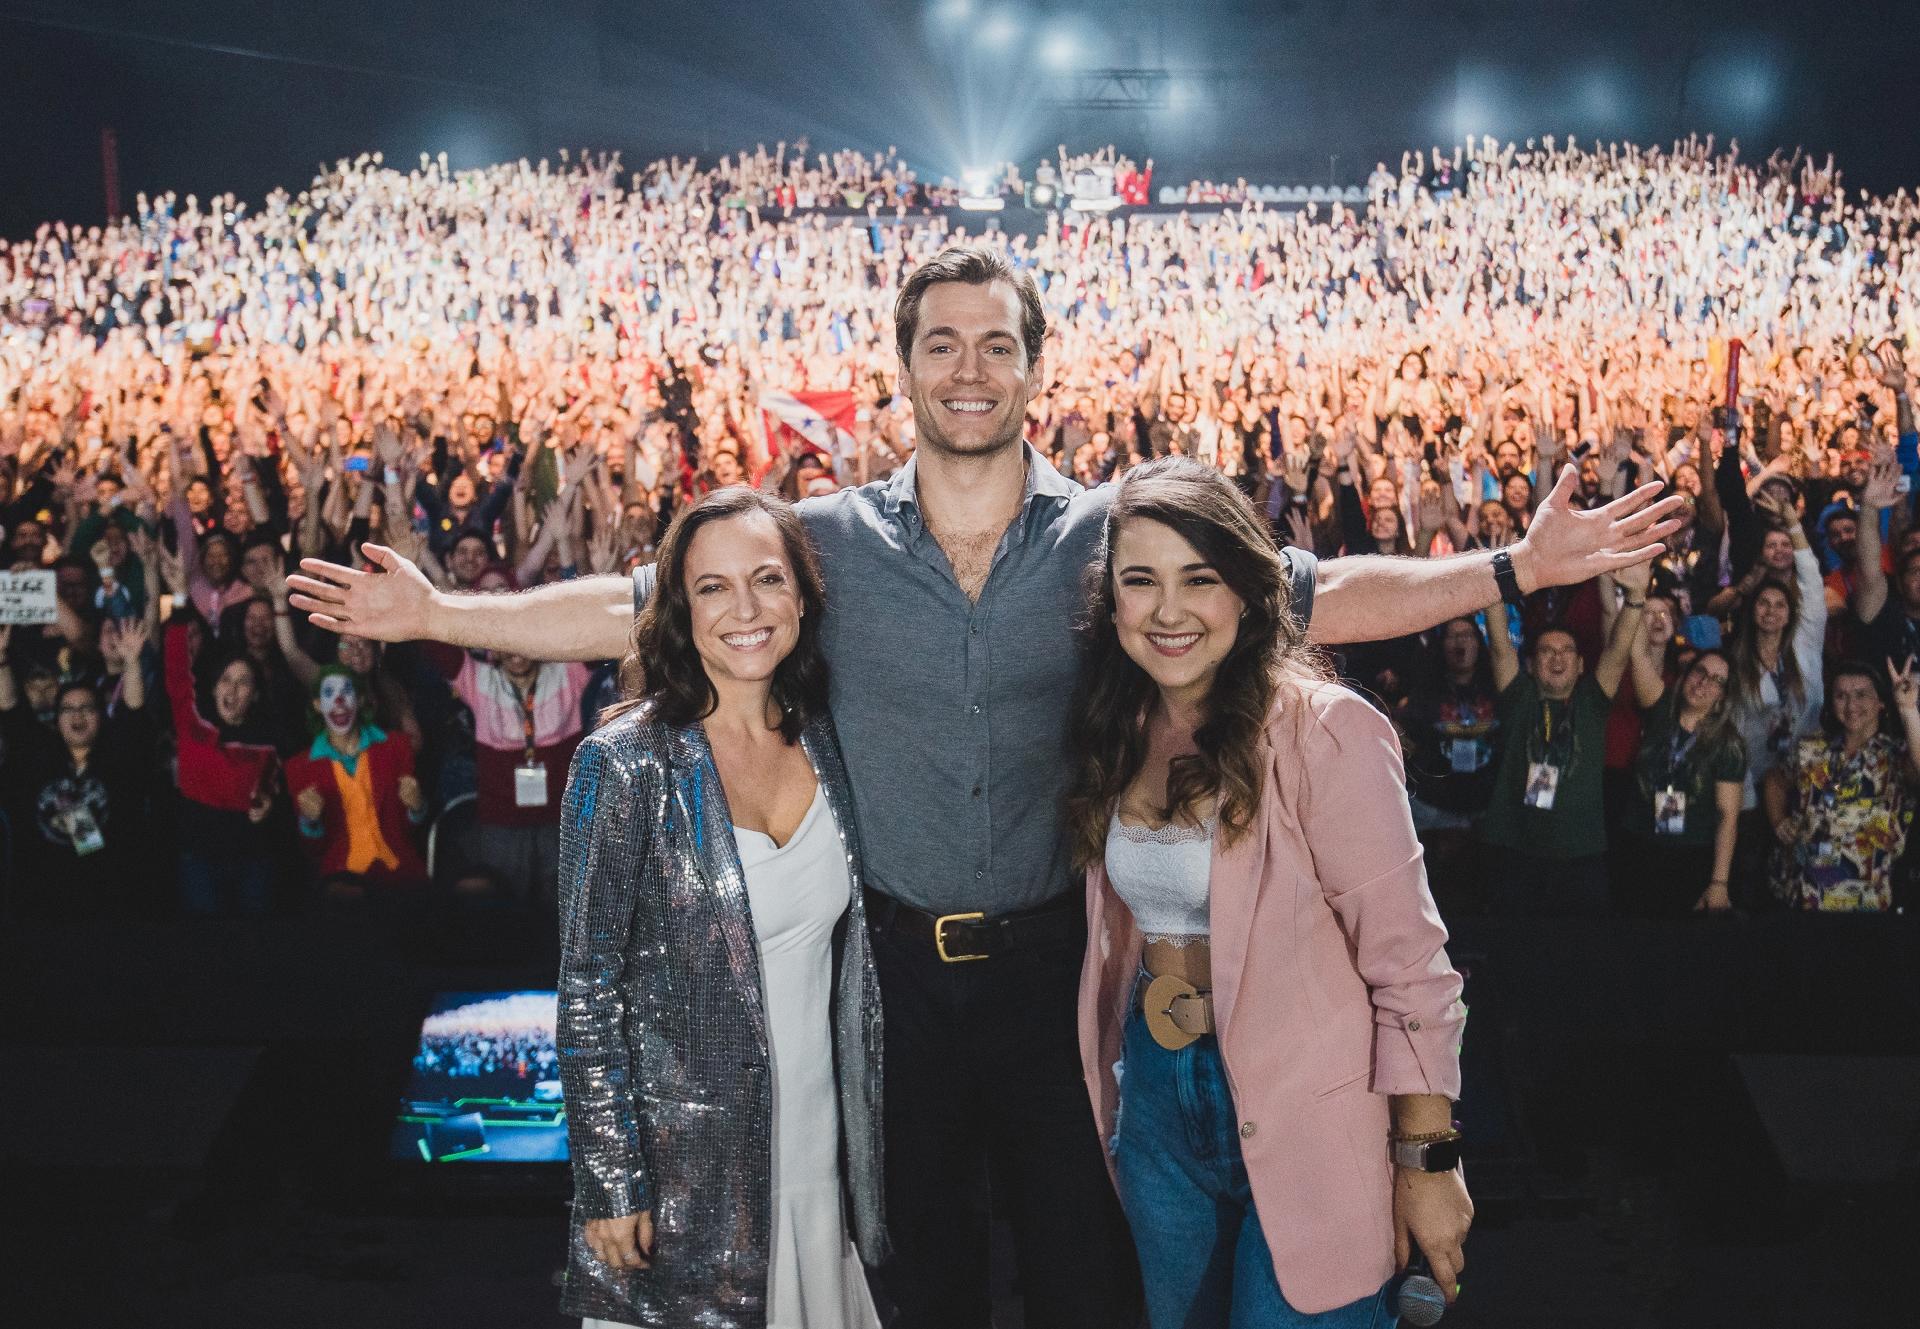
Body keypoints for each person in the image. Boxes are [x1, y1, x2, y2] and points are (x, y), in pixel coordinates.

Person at [289, 245, 1679, 1327]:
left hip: (1064, 973)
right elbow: (639, 605)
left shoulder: (1108, 533)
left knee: (1090, 1283)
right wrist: (441, 617)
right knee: (927, 1283)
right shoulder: (823, 541)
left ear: (1033, 368)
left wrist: (1515, 570)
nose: (969, 367)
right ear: (902, 366)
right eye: (941, 343)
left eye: (994, 344)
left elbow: (1317, 595)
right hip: (890, 977)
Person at [1065, 459, 1470, 1325]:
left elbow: (1412, 966)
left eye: (1198, 580)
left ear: (1248, 591)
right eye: (1141, 581)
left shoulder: (1327, 729)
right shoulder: (1115, 724)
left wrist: (1429, 1160)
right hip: (1160, 1106)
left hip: (1314, 1109)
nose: (1168, 610)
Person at [557, 487, 884, 1329]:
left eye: (768, 578)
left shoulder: (827, 737)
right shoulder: (623, 764)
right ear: (677, 607)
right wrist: (610, 1177)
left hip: (820, 1168)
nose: (746, 608)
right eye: (712, 586)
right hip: (683, 1188)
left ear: (803, 597)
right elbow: (588, 987)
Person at [1478, 562, 1651, 915]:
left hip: (1581, 855)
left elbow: (1618, 650)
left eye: (1566, 652)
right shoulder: (1519, 695)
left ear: (1582, 664)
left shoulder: (1592, 699)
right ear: (1530, 663)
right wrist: (1496, 572)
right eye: (1546, 651)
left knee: (1580, 959)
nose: (1557, 659)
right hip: (1515, 849)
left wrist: (1635, 597)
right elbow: (1499, 644)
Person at [1762, 658, 1920, 912]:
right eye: (1841, 696)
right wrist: (1779, 820)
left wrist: (1908, 709)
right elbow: (1774, 780)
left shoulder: (1897, 755)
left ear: (1880, 703)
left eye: (1861, 695)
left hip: (1865, 902)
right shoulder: (1810, 748)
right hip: (1800, 894)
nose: (1851, 705)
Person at [162, 614, 283, 916]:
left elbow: (276, 794)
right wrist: (178, 606)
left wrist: (269, 805)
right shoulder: (194, 727)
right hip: (199, 858)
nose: (232, 690)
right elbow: (177, 674)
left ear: (255, 694)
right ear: (214, 689)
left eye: (243, 682)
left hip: (252, 859)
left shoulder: (268, 743)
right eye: (226, 680)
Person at [1615, 648, 1746, 915]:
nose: (1704, 683)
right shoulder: (1660, 710)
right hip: (1637, 848)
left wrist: (1719, 883)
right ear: (1686, 675)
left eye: (1717, 681)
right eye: (1700, 672)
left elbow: (1727, 816)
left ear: (1723, 696)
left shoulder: (1728, 744)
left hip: (1690, 858)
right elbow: (1637, 654)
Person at [284, 665, 428, 894]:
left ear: (360, 700)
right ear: (318, 705)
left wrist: (417, 806)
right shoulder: (300, 767)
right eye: (329, 693)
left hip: (400, 873)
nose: (339, 700)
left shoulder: (396, 747)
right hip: (341, 881)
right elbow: (314, 849)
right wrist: (310, 822)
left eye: (347, 691)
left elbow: (412, 828)